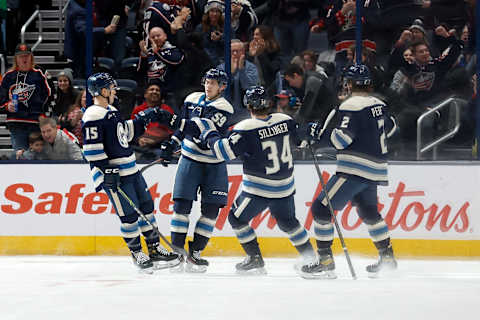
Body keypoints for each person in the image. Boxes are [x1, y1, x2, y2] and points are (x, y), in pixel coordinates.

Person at [195, 85, 318, 276]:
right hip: (285, 186)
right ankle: (311, 258)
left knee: (236, 217)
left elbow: (224, 152)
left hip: (259, 189)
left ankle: (255, 259)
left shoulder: (245, 128)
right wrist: (311, 130)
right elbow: (302, 141)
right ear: (268, 103)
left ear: (247, 105)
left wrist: (209, 135)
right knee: (289, 222)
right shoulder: (285, 120)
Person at [81, 72, 181, 273]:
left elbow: (122, 134)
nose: (114, 90)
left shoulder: (110, 110)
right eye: (111, 87)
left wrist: (141, 119)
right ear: (102, 90)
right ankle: (137, 252)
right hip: (115, 174)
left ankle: (154, 249)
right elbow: (91, 150)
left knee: (146, 208)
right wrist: (107, 170)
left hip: (131, 169)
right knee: (128, 216)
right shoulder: (92, 114)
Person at [305, 64, 398, 278]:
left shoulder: (351, 106)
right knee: (368, 212)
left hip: (355, 169)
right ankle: (387, 258)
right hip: (376, 169)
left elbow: (342, 139)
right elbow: (391, 127)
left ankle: (325, 261)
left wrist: (320, 133)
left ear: (348, 83)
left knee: (321, 209)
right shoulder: (379, 104)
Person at [158, 68, 234, 273]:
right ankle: (176, 251)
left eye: (213, 83)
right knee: (181, 206)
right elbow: (183, 128)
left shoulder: (224, 107)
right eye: (207, 82)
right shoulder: (192, 99)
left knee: (210, 211)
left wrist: (178, 127)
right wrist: (171, 143)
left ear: (222, 87)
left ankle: (196, 252)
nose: (209, 86)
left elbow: (202, 131)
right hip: (189, 160)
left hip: (214, 164)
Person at [0, 43, 51, 152]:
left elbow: (49, 96)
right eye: (21, 56)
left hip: (36, 123)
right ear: (16, 59)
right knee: (20, 157)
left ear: (31, 57)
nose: (24, 59)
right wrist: (7, 106)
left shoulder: (39, 75)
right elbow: (1, 99)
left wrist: (43, 114)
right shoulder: (8, 76)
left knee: (38, 158)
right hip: (16, 123)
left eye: (26, 55)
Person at [217, 39, 259, 124]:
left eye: (238, 51)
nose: (235, 54)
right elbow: (220, 90)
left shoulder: (251, 68)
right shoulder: (221, 68)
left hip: (246, 113)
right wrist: (230, 74)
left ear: (243, 52)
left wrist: (241, 70)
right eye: (233, 51)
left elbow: (249, 88)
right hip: (226, 111)